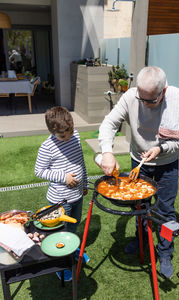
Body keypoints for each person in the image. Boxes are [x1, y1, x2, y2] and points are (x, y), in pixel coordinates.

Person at [98, 66, 179, 279]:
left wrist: (161, 148)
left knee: (166, 209)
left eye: (149, 100)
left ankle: (165, 251)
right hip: (138, 160)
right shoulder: (132, 96)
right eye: (141, 98)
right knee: (139, 205)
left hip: (166, 163)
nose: (144, 104)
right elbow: (109, 123)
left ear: (163, 91)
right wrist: (106, 152)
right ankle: (140, 239)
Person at [35, 106, 89, 281]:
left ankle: (73, 250)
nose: (69, 137)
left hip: (77, 195)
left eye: (71, 131)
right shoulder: (47, 147)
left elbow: (80, 161)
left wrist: (85, 182)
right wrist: (62, 177)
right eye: (64, 135)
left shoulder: (76, 136)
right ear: (52, 131)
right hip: (60, 200)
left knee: (74, 225)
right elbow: (39, 171)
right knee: (60, 232)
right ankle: (61, 264)